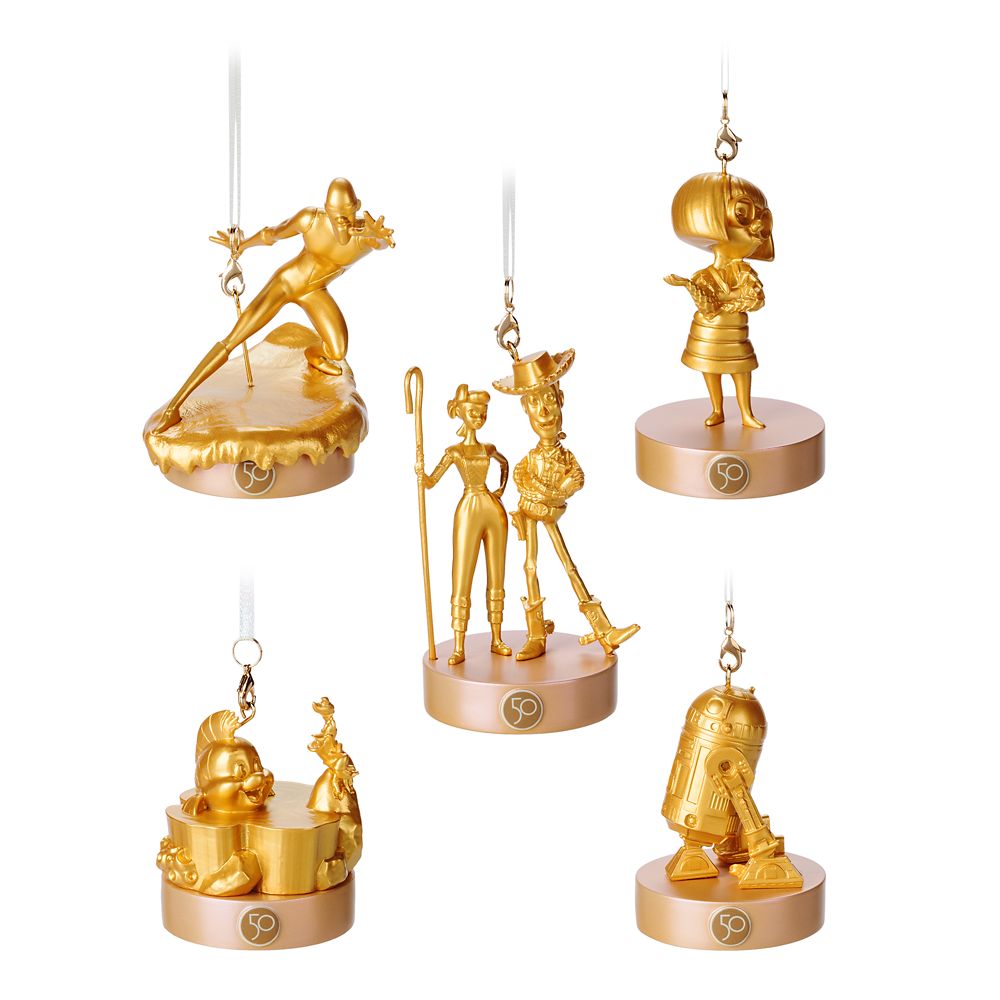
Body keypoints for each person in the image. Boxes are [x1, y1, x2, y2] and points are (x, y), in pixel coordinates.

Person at [153, 178, 393, 432]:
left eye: (347, 216)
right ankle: (174, 406)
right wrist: (242, 245)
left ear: (356, 208)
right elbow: (273, 234)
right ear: (327, 210)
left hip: (315, 292)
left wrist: (378, 238)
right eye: (336, 217)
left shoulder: (363, 237)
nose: (341, 223)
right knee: (233, 340)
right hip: (286, 283)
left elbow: (378, 242)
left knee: (337, 352)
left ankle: (312, 354)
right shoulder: (310, 219)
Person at [493, 349, 639, 660]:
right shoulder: (529, 461)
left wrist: (550, 496)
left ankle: (604, 631)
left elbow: (576, 481)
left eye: (549, 400)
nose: (544, 412)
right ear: (525, 410)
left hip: (546, 514)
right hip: (530, 516)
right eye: (534, 404)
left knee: (568, 565)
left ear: (561, 399)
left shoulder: (566, 459)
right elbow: (522, 480)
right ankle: (536, 635)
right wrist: (550, 494)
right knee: (530, 566)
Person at [665, 171, 774, 429]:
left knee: (741, 369)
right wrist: (690, 286)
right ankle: (717, 410)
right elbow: (708, 308)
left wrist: (723, 303)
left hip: (735, 333)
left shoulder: (745, 272)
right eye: (743, 215)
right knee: (710, 368)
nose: (758, 230)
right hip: (709, 333)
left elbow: (756, 300)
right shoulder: (702, 276)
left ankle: (746, 413)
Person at [420, 385, 511, 666]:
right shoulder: (455, 452)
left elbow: (504, 464)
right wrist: (421, 473)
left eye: (483, 413)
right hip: (469, 511)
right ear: (461, 413)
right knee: (462, 575)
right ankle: (459, 645)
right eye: (474, 412)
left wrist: (500, 491)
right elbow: (431, 481)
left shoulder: (488, 448)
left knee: (497, 575)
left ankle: (497, 638)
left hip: (493, 510)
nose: (480, 417)